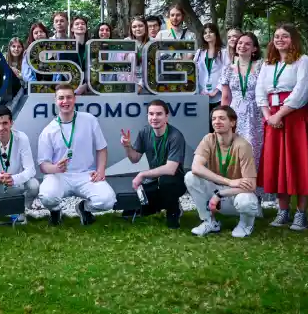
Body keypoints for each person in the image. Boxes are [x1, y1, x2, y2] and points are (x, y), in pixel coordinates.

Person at [255, 24, 308, 231]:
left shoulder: (303, 61)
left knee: (299, 163)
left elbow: (302, 91)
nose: (279, 40)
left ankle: (301, 213)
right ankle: (283, 210)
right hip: (273, 119)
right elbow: (260, 91)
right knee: (277, 164)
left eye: (284, 36)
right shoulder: (268, 64)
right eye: (277, 36)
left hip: (294, 118)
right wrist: (269, 117)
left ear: (293, 39)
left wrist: (279, 114)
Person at [38, 85, 116, 225]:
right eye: (61, 98)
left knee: (107, 200)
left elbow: (102, 148)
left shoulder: (89, 120)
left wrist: (100, 170)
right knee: (47, 196)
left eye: (69, 97)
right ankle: (56, 211)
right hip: (60, 176)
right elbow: (43, 165)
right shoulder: (48, 131)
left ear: (75, 99)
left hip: (86, 174)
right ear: (55, 100)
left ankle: (83, 208)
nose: (65, 101)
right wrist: (56, 168)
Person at [185, 106, 259, 237]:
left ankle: (246, 224)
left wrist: (220, 194)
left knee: (246, 200)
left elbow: (251, 185)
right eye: (214, 118)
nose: (217, 121)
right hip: (221, 189)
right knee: (190, 177)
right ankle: (209, 221)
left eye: (222, 118)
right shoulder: (209, 139)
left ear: (232, 122)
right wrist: (229, 182)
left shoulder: (243, 145)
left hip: (236, 195)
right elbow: (196, 167)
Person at [120, 100, 186, 228]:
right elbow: (135, 159)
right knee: (136, 210)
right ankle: (168, 203)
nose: (154, 118)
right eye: (151, 114)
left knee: (166, 181)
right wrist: (127, 146)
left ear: (166, 116)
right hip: (154, 180)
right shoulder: (145, 132)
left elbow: (171, 169)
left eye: (159, 114)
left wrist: (142, 174)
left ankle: (173, 213)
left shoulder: (175, 136)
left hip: (175, 180)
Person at [0, 105, 39, 224]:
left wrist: (14, 179)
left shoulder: (22, 138)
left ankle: (20, 209)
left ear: (11, 123)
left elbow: (31, 169)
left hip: (16, 183)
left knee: (34, 185)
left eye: (5, 123)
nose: (1, 128)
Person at [220, 32, 264, 167]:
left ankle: (254, 178)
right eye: (240, 43)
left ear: (254, 48)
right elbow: (226, 96)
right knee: (235, 146)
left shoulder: (261, 67)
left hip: (256, 113)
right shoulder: (228, 69)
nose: (242, 46)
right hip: (235, 113)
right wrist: (222, 118)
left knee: (254, 147)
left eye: (247, 44)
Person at [194, 23, 225, 119]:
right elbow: (194, 72)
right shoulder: (200, 52)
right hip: (202, 94)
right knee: (203, 123)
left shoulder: (223, 52)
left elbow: (226, 74)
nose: (208, 34)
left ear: (216, 34)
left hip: (218, 95)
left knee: (216, 121)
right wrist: (200, 90)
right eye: (205, 33)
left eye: (211, 32)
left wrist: (216, 91)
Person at [125, 16, 149, 91]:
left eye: (140, 26)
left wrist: (141, 84)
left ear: (146, 27)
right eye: (134, 27)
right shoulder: (126, 42)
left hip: (148, 83)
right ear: (131, 29)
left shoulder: (152, 42)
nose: (137, 29)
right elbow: (123, 66)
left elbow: (154, 67)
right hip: (130, 83)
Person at [2, 37, 25, 112]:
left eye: (19, 47)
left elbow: (26, 78)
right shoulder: (4, 58)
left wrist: (19, 75)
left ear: (22, 48)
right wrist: (11, 68)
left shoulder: (26, 60)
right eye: (14, 46)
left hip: (21, 87)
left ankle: (8, 109)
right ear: (9, 48)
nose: (16, 49)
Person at [70, 15, 90, 94]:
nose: (80, 25)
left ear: (86, 28)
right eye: (77, 24)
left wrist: (86, 85)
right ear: (72, 29)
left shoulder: (92, 46)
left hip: (90, 88)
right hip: (71, 88)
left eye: (83, 24)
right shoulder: (66, 48)